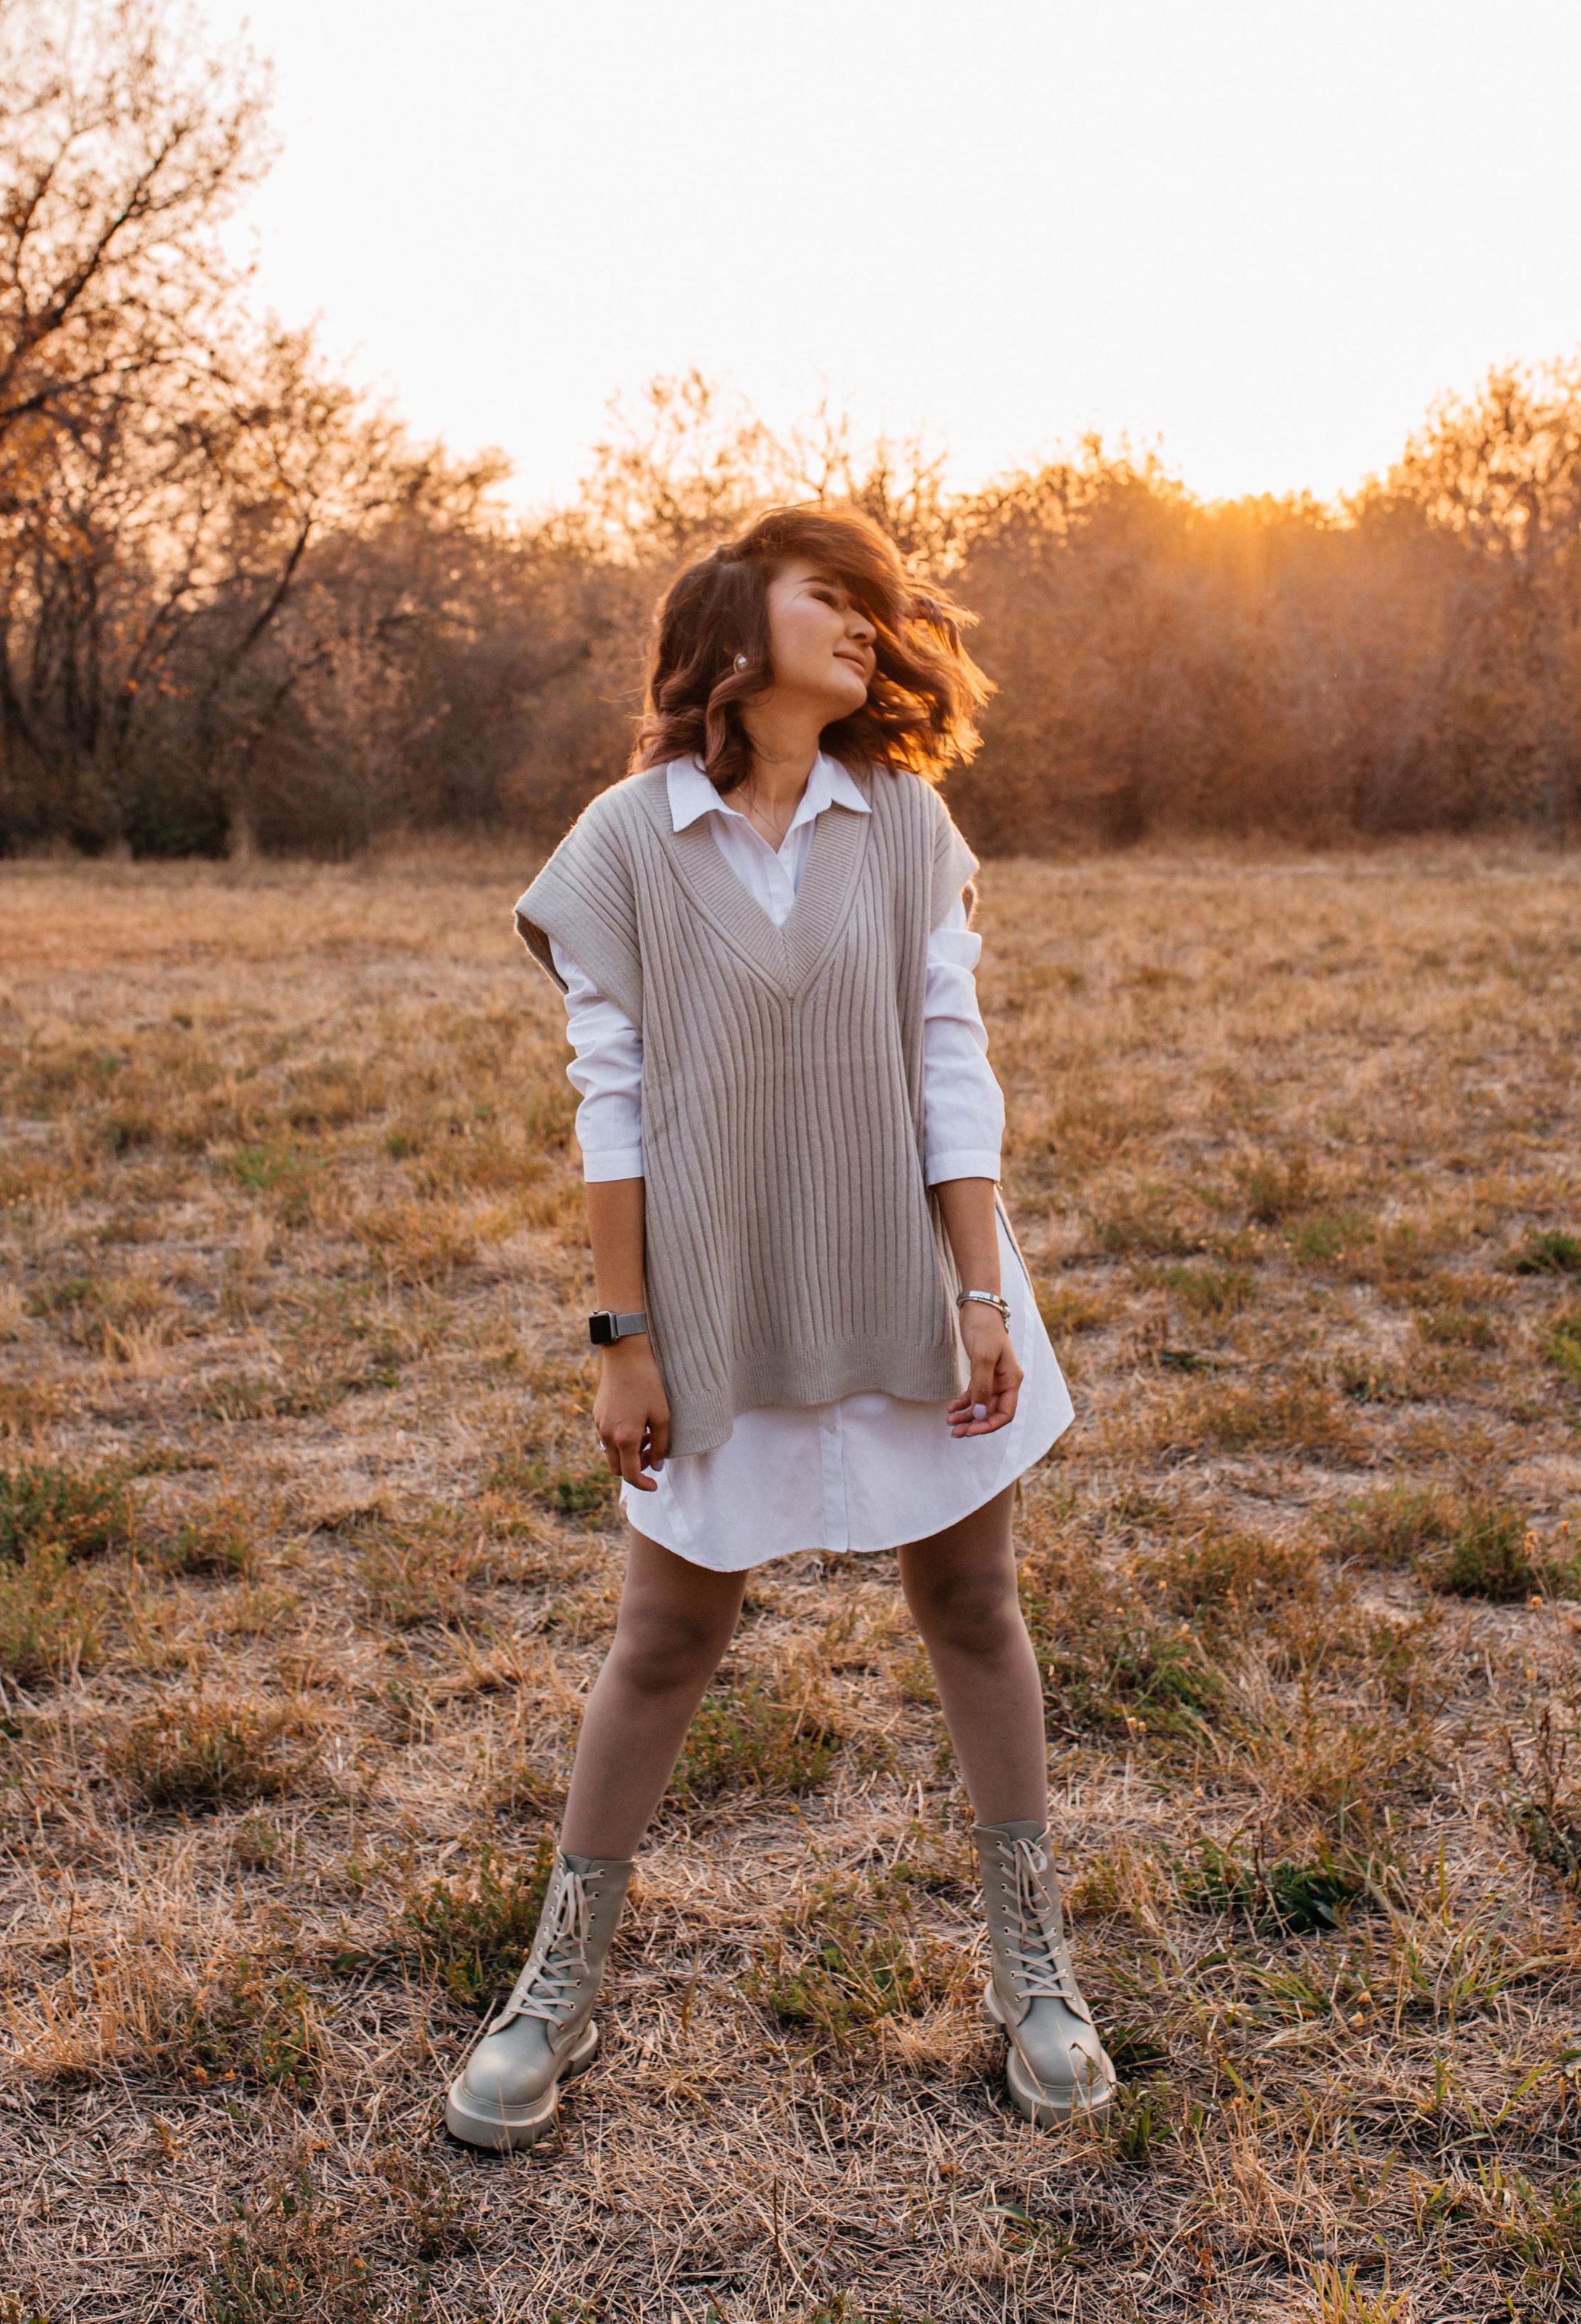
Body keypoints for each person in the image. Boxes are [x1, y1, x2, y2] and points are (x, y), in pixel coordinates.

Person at [444, 504, 1113, 2150]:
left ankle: (1034, 1970)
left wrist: (979, 1292)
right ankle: (556, 1988)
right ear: (732, 633)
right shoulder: (621, 843)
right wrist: (622, 1332)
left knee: (972, 1607)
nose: (866, 629)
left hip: (910, 1274)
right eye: (832, 599)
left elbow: (949, 1067)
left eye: (877, 611)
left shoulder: (906, 825)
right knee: (662, 1640)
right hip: (716, 1295)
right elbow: (614, 1101)